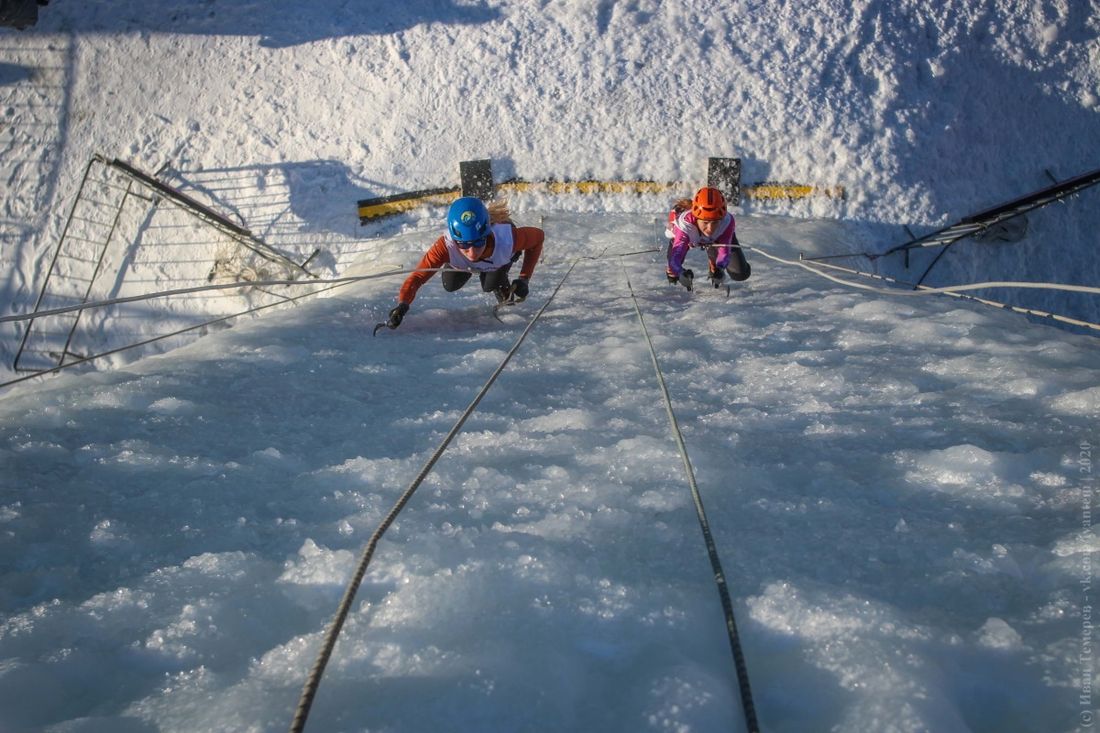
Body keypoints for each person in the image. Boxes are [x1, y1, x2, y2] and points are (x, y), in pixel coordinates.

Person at [382, 196, 544, 330]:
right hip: (463, 263)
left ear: (487, 234)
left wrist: (524, 278)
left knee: (489, 286)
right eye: (464, 244)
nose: (472, 252)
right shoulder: (444, 247)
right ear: (454, 240)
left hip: (497, 259)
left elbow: (538, 237)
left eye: (478, 242)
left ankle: (497, 270)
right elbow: (417, 277)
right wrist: (403, 304)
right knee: (450, 285)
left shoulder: (507, 239)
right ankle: (472, 265)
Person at [665, 187, 751, 290]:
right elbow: (676, 258)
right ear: (696, 218)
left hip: (716, 238)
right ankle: (710, 256)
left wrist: (720, 268)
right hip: (688, 238)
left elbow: (724, 252)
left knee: (740, 274)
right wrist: (680, 272)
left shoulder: (726, 222)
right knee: (673, 272)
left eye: (715, 222)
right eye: (705, 222)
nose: (710, 228)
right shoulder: (685, 226)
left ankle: (713, 262)